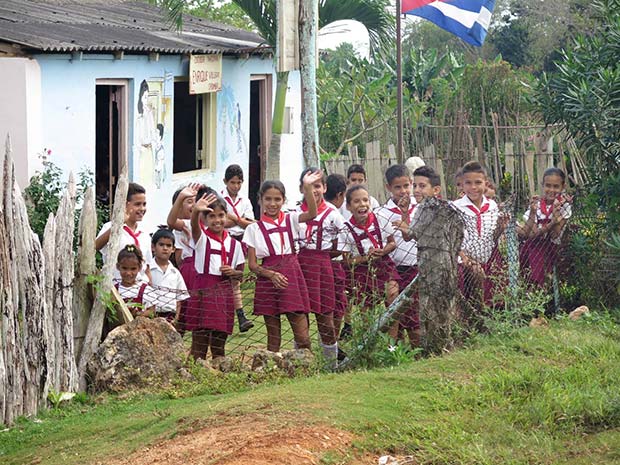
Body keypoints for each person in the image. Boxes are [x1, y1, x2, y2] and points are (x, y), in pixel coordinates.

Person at [243, 172, 323, 353]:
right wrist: (271, 275)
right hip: (267, 279)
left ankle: (305, 368)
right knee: (273, 337)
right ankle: (272, 370)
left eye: (277, 199)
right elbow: (253, 265)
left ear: (283, 200)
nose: (272, 204)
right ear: (260, 200)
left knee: (302, 336)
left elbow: (312, 213)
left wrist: (308, 187)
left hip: (291, 276)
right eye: (268, 199)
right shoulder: (253, 229)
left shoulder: (291, 219)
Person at [187, 187, 245, 360]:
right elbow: (194, 226)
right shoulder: (202, 239)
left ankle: (219, 374)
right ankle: (196, 374)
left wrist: (233, 272)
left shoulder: (234, 245)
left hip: (224, 294)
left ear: (227, 216)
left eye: (221, 215)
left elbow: (240, 275)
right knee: (199, 342)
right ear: (205, 219)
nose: (217, 220)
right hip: (204, 291)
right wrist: (196, 210)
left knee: (219, 343)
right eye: (212, 216)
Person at [338, 185, 400, 337]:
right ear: (349, 207)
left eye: (365, 200)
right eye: (357, 201)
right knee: (367, 310)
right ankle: (369, 344)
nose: (362, 204)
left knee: (393, 297)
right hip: (361, 271)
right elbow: (346, 261)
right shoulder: (346, 229)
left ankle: (392, 344)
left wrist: (383, 251)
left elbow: (392, 243)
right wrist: (366, 257)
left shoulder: (380, 219)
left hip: (383, 264)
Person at [297, 168, 344, 363]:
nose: (314, 190)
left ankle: (330, 363)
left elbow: (342, 241)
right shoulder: (293, 212)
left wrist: (327, 254)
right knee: (300, 315)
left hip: (324, 266)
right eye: (308, 186)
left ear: (324, 188)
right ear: (301, 188)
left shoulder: (333, 214)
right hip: (299, 266)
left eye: (317, 185)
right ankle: (301, 360)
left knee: (325, 315)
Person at [452, 161, 508, 317]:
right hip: (462, 259)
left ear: (486, 184)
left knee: (493, 288)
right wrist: (465, 258)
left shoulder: (492, 206)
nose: (473, 187)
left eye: (478, 182)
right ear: (462, 185)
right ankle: (470, 317)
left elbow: (493, 238)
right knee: (473, 278)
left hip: (487, 257)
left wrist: (500, 228)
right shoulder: (455, 207)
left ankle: (484, 316)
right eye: (468, 183)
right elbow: (453, 239)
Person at [376, 164, 419, 347]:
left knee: (416, 317)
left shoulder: (420, 208)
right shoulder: (381, 213)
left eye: (406, 186)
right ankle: (395, 353)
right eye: (397, 187)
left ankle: (421, 353)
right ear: (388, 188)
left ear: (411, 183)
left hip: (417, 268)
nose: (403, 191)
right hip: (394, 269)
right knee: (395, 314)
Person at [518, 167, 572, 289]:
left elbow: (554, 235)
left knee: (538, 254)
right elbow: (532, 234)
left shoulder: (565, 207)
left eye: (556, 186)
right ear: (542, 185)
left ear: (562, 187)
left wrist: (556, 213)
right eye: (548, 185)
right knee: (532, 249)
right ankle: (533, 288)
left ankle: (537, 289)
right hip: (533, 245)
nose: (551, 190)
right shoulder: (536, 205)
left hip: (551, 247)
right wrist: (534, 213)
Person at [221, 164, 255, 332]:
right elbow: (220, 223)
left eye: (239, 182)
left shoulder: (245, 200)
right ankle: (227, 314)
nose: (236, 186)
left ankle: (241, 316)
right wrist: (240, 220)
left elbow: (251, 224)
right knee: (221, 278)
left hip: (239, 243)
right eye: (232, 182)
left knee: (236, 279)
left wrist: (234, 219)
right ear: (225, 182)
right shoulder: (219, 199)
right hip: (223, 240)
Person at [96, 182, 152, 281]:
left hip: (140, 289)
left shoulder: (144, 233)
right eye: (137, 204)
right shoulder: (110, 227)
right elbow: (95, 246)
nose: (142, 208)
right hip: (116, 288)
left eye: (144, 204)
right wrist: (118, 225)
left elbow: (147, 268)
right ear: (125, 205)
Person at [324, 174, 350, 341]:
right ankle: (332, 343)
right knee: (337, 304)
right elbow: (339, 247)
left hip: (314, 264)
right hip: (333, 265)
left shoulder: (318, 211)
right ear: (340, 194)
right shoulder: (335, 216)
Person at [149, 228, 189, 324]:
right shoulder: (147, 270)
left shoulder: (175, 273)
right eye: (161, 245)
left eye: (168, 245)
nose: (165, 248)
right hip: (150, 315)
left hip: (169, 316)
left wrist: (176, 318)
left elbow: (179, 299)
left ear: (173, 249)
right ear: (153, 247)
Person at [114, 245, 157, 317]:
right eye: (124, 268)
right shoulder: (114, 290)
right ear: (118, 267)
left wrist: (138, 314)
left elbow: (152, 311)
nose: (128, 273)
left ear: (139, 268)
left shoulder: (146, 290)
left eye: (133, 269)